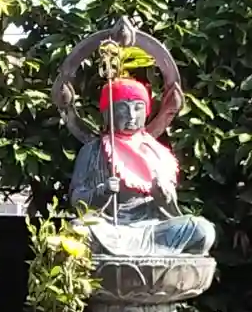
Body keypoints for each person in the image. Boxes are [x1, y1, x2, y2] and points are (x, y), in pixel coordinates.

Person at [69, 77, 216, 256]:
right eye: (122, 108)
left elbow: (169, 208)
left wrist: (164, 197)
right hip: (110, 228)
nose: (131, 115)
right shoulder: (93, 151)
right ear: (108, 113)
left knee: (202, 230)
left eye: (138, 108)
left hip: (153, 229)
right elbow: (76, 198)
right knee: (79, 230)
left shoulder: (155, 152)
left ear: (146, 112)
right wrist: (102, 191)